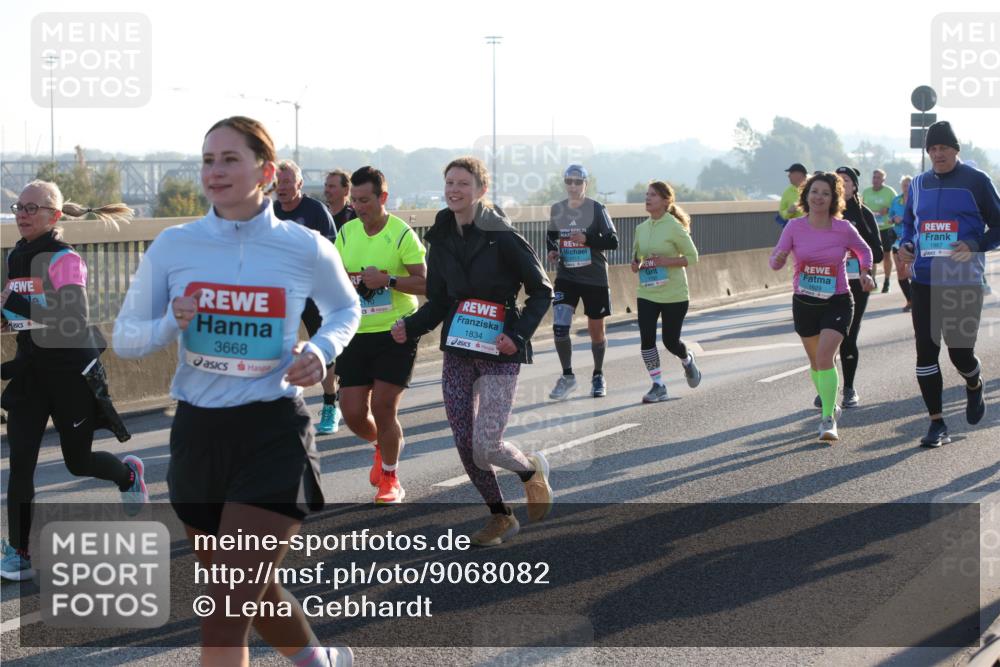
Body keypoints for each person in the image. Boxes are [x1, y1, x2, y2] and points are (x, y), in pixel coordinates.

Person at [113, 116, 359, 666]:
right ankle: (319, 662)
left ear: (266, 172)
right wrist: (170, 322)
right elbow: (126, 338)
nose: (215, 171)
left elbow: (346, 309)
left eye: (229, 159)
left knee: (224, 613)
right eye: (208, 160)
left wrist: (320, 351)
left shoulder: (305, 246)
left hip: (273, 433)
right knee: (251, 591)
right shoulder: (175, 245)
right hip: (198, 434)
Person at [390, 156, 553, 547]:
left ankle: (529, 470)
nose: (454, 190)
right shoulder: (441, 236)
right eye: (450, 182)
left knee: (487, 444)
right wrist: (410, 326)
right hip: (459, 348)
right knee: (465, 441)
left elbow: (542, 290)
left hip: (500, 349)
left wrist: (517, 335)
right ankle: (500, 516)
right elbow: (438, 299)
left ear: (482, 189)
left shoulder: (503, 236)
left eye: (463, 183)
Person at [1, 181, 144, 582]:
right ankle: (19, 551)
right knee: (21, 465)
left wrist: (14, 304)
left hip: (70, 374)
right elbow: (23, 318)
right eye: (19, 206)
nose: (22, 214)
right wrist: (6, 318)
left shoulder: (65, 259)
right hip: (31, 373)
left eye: (32, 208)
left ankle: (127, 475)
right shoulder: (16, 255)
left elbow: (71, 319)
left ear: (55, 216)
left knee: (77, 462)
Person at [898, 120, 1000, 448]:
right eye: (932, 149)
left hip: (962, 278)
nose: (938, 154)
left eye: (943, 148)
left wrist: (975, 244)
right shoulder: (918, 184)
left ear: (956, 150)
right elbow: (910, 225)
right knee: (926, 351)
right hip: (925, 278)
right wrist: (906, 245)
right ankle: (937, 423)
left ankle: (974, 382)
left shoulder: (977, 181)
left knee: (960, 354)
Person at [334, 166, 426, 504]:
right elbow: (335, 276)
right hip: (357, 332)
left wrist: (388, 281)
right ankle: (383, 444)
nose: (358, 207)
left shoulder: (401, 234)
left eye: (365, 200)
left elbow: (427, 283)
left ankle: (390, 478)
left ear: (382, 197)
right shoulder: (346, 233)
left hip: (396, 332)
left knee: (384, 406)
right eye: (354, 201)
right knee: (353, 412)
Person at [770, 172, 875, 441]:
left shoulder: (843, 228)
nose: (819, 197)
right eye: (814, 192)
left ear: (833, 199)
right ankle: (830, 404)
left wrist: (865, 272)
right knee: (816, 362)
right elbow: (775, 260)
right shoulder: (794, 227)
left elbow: (865, 251)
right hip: (805, 302)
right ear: (806, 195)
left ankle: (828, 418)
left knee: (825, 357)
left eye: (826, 193)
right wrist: (779, 258)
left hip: (837, 300)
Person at [273, 160, 343, 435]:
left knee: (322, 348)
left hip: (314, 292)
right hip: (282, 294)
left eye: (287, 182)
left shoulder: (315, 211)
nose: (282, 188)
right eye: (278, 183)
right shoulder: (269, 212)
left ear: (299, 184)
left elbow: (331, 251)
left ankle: (330, 403)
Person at [545, 164, 619, 399]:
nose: (573, 186)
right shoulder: (557, 209)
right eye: (569, 181)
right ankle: (567, 376)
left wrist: (587, 239)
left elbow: (613, 241)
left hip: (594, 278)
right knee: (560, 327)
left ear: (586, 184)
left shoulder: (597, 209)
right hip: (566, 277)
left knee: (596, 331)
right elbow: (551, 237)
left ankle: (598, 375)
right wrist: (552, 251)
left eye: (578, 181)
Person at [630, 180, 701, 403]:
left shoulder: (674, 227)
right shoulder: (641, 229)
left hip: (674, 294)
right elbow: (637, 258)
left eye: (653, 195)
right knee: (647, 339)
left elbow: (693, 257)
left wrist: (666, 261)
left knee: (670, 341)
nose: (647, 198)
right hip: (647, 292)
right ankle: (658, 385)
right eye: (647, 194)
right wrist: (636, 264)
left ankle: (687, 359)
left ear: (665, 200)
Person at [825, 166, 883, 409]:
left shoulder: (863, 213)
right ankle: (827, 387)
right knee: (825, 338)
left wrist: (855, 254)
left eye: (846, 180)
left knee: (848, 337)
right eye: (837, 180)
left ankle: (848, 388)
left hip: (856, 283)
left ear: (854, 186)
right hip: (827, 282)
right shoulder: (824, 212)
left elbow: (878, 253)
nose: (841, 183)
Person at [861, 168, 898, 292]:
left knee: (886, 254)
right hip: (871, 229)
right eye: (874, 177)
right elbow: (861, 207)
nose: (875, 180)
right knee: (871, 254)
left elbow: (897, 207)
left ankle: (887, 281)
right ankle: (873, 279)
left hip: (886, 228)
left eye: (878, 178)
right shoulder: (866, 192)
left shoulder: (889, 192)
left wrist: (888, 210)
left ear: (883, 180)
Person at [888, 175, 914, 311]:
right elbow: (889, 218)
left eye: (909, 185)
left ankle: (917, 297)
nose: (906, 187)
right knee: (900, 270)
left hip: (912, 239)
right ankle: (910, 300)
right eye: (904, 185)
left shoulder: (917, 199)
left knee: (910, 271)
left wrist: (904, 219)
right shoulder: (896, 200)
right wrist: (894, 219)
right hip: (897, 239)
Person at [324, 168, 357, 233]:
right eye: (326, 185)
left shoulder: (354, 216)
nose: (326, 190)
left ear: (346, 190)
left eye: (331, 186)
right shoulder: (321, 213)